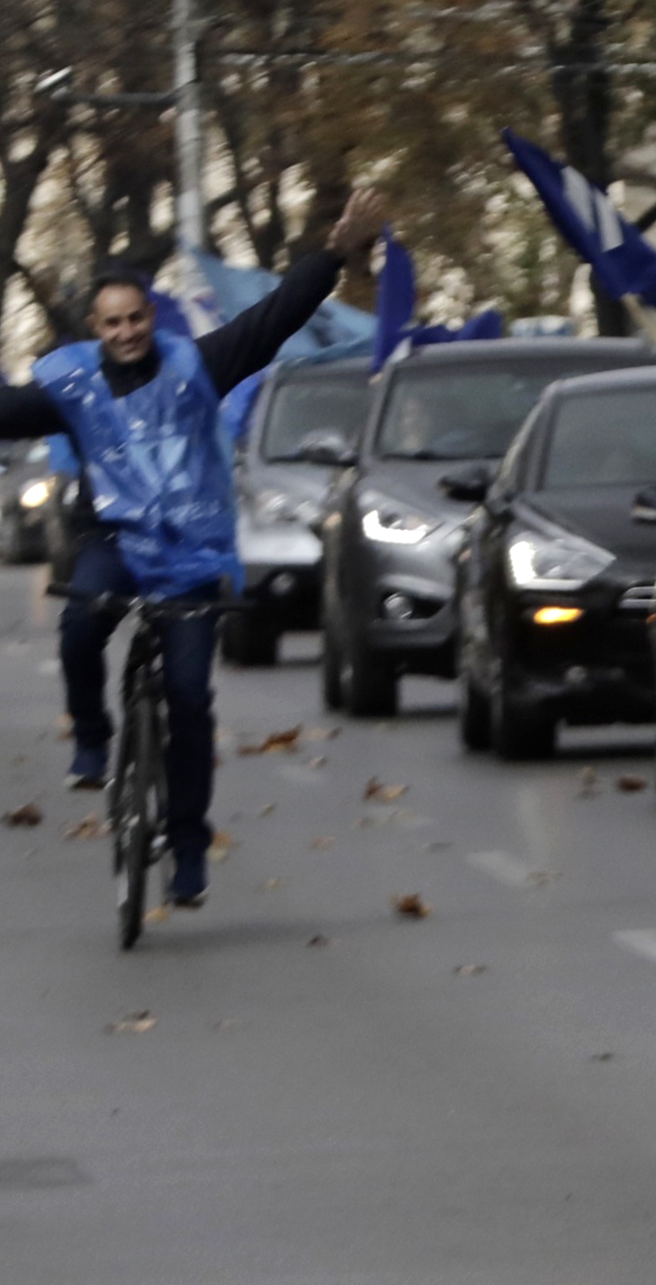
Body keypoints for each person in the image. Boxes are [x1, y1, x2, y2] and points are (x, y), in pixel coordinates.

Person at [0, 190, 386, 905]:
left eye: (137, 318)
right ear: (96, 327)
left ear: (153, 316)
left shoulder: (196, 366)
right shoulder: (74, 386)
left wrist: (334, 252)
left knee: (186, 696)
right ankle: (92, 738)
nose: (126, 333)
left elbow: (272, 320)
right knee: (79, 622)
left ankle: (186, 845)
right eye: (111, 323)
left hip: (192, 555)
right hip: (115, 541)